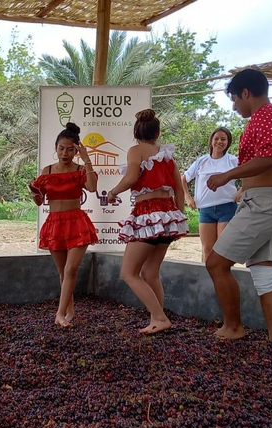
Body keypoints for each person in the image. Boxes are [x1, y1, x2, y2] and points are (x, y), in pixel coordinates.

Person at [205, 69, 272, 344]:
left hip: (264, 205)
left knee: (215, 263)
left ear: (246, 92)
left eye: (235, 99)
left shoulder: (265, 116)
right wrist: (250, 189)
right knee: (265, 275)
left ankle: (233, 327)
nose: (235, 107)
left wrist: (228, 176)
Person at [108, 109, 189, 334]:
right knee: (151, 272)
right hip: (168, 216)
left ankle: (160, 318)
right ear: (158, 132)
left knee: (128, 272)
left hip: (147, 214)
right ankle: (158, 317)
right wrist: (178, 219)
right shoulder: (167, 156)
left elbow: (132, 177)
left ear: (136, 133)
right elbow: (178, 191)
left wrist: (113, 192)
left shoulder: (135, 150)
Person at [29, 122, 98, 327]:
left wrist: (86, 160)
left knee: (71, 269)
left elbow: (92, 188)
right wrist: (35, 193)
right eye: (61, 148)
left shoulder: (79, 169)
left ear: (76, 150)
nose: (64, 153)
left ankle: (59, 314)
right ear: (55, 147)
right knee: (63, 272)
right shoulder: (47, 170)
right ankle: (70, 311)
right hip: (55, 223)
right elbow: (40, 201)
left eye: (70, 149)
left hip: (76, 222)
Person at [182, 127, 242, 261]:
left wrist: (241, 190)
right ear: (211, 142)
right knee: (207, 248)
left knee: (222, 248)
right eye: (216, 139)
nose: (219, 142)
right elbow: (184, 179)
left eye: (223, 139)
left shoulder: (233, 160)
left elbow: (250, 174)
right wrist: (188, 197)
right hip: (206, 210)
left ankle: (222, 279)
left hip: (227, 208)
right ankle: (206, 279)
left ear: (228, 142)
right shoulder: (201, 161)